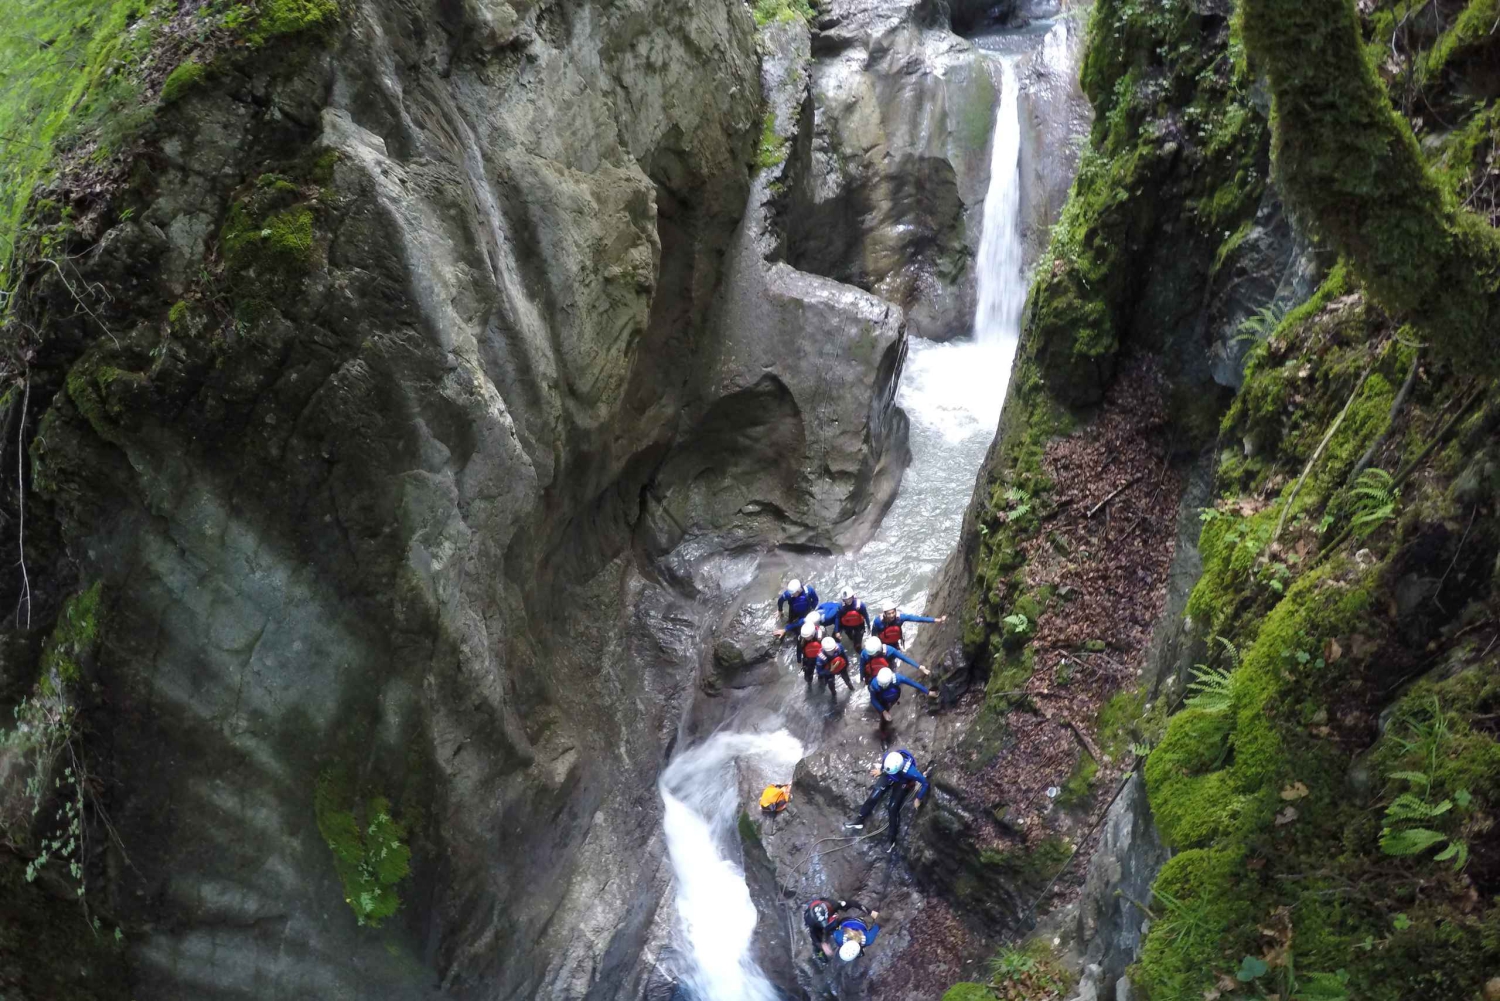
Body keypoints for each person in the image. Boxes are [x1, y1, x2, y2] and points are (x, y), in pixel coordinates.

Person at [845, 749, 930, 850]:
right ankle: (859, 820)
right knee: (875, 795)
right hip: (889, 773)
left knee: (892, 808)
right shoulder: (888, 757)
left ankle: (891, 840)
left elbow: (925, 783)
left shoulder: (910, 772)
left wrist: (918, 798)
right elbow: (885, 767)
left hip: (903, 780)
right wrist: (881, 771)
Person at [868, 664, 936, 735]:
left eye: (885, 685)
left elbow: (913, 683)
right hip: (882, 699)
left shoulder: (897, 678)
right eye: (881, 685)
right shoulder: (874, 684)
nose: (883, 686)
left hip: (893, 696)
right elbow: (873, 699)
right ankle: (883, 732)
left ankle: (888, 710)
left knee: (889, 707)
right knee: (884, 717)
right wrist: (883, 711)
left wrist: (928, 692)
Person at [803, 898, 877, 961]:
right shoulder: (810, 920)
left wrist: (870, 912)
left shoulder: (833, 905)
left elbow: (851, 903)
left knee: (834, 924)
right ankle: (819, 952)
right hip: (817, 925)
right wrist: (822, 944)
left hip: (833, 918)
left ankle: (833, 925)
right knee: (817, 940)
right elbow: (813, 934)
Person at [859, 635, 927, 685]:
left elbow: (904, 658)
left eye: (875, 654)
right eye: (871, 655)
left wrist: (919, 666)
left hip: (888, 668)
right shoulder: (864, 654)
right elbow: (862, 666)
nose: (873, 656)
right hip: (873, 672)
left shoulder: (890, 650)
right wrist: (862, 678)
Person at [874, 604, 947, 649]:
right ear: (884, 614)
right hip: (883, 643)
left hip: (896, 641)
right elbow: (874, 635)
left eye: (893, 612)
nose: (892, 615)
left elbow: (918, 619)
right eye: (889, 614)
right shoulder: (877, 622)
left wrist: (938, 620)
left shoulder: (900, 618)